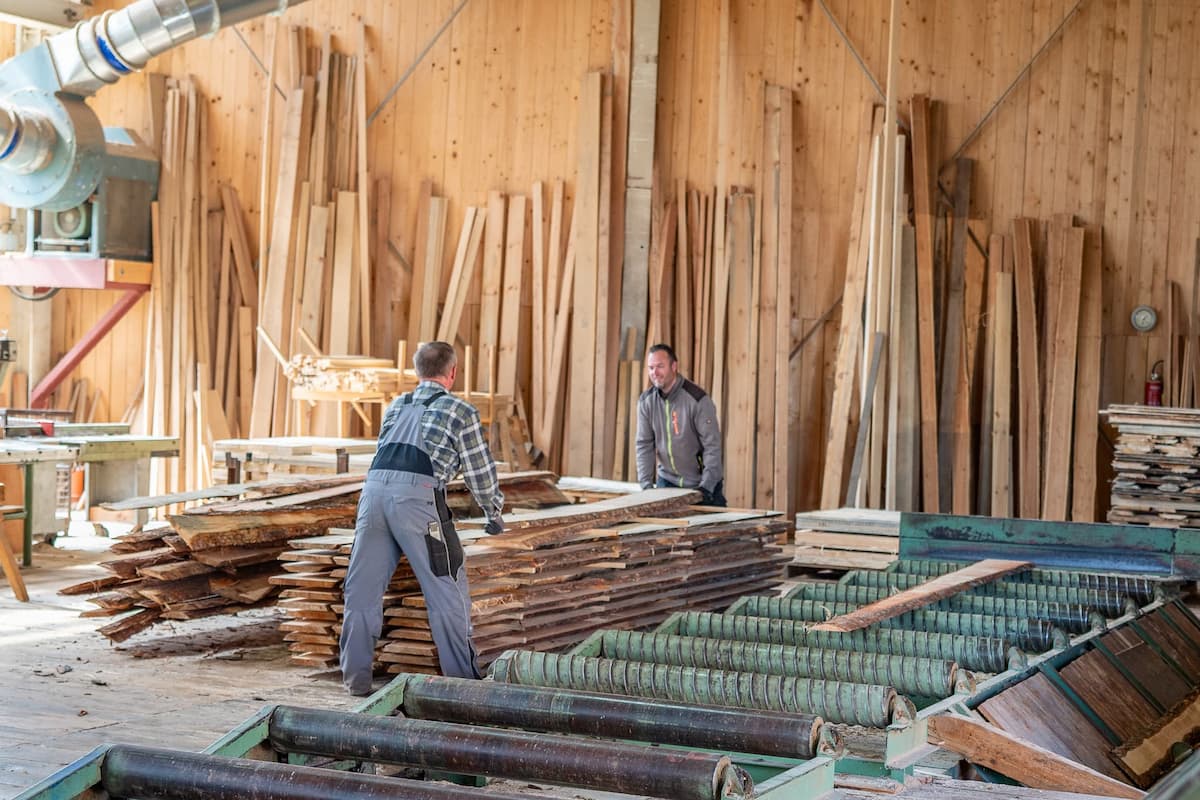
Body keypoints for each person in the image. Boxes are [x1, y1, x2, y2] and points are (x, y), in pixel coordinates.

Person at [340, 341, 504, 695]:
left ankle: (356, 681)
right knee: (447, 589)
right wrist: (493, 511)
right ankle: (461, 684)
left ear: (417, 371)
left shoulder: (396, 404)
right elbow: (480, 473)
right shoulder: (461, 411)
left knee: (361, 591)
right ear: (453, 371)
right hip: (417, 504)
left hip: (373, 498)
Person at [635, 343, 726, 506]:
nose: (654, 373)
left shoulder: (697, 400)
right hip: (667, 482)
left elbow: (712, 447)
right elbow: (644, 444)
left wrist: (706, 488)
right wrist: (646, 485)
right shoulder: (646, 402)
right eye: (650, 368)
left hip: (701, 485)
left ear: (674, 366)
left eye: (660, 366)